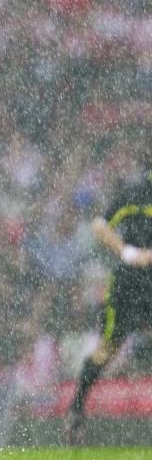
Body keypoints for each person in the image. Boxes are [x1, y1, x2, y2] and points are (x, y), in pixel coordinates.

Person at [66, 171, 152, 445]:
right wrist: (127, 251)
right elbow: (99, 225)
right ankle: (76, 411)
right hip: (130, 285)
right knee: (108, 349)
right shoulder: (136, 192)